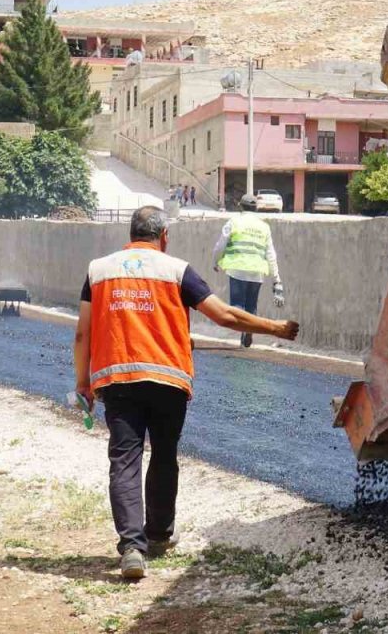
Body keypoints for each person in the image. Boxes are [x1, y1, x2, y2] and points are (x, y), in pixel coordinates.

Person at [73, 206, 299, 579]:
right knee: (163, 456)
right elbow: (224, 315)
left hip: (118, 381)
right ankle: (159, 533)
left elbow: (83, 332)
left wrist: (83, 381)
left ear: (131, 233)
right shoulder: (177, 270)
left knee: (124, 461)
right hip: (168, 382)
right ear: (163, 237)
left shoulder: (98, 270)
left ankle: (132, 547)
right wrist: (273, 327)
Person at [213, 193, 284, 348]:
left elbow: (220, 245)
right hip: (257, 272)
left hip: (237, 269)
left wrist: (215, 261)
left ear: (240, 206)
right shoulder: (264, 227)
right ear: (256, 207)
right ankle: (248, 331)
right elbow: (271, 254)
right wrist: (276, 278)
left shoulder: (234, 221)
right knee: (251, 306)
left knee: (237, 306)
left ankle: (244, 330)